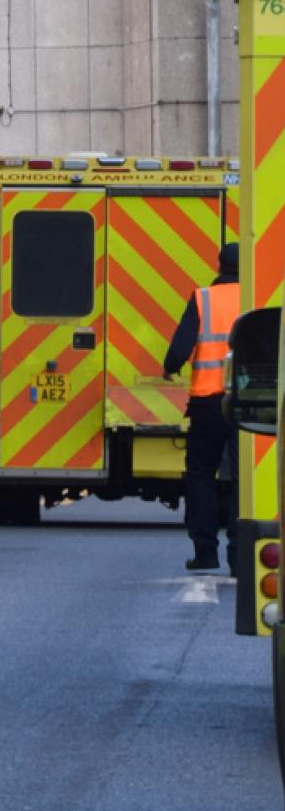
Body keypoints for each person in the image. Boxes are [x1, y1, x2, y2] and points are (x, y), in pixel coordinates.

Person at [164, 241, 240, 572]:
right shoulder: (260, 297)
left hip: (209, 402)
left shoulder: (203, 299)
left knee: (200, 475)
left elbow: (182, 345)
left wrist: (170, 366)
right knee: (243, 479)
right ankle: (241, 556)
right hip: (249, 404)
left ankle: (206, 553)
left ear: (218, 264)